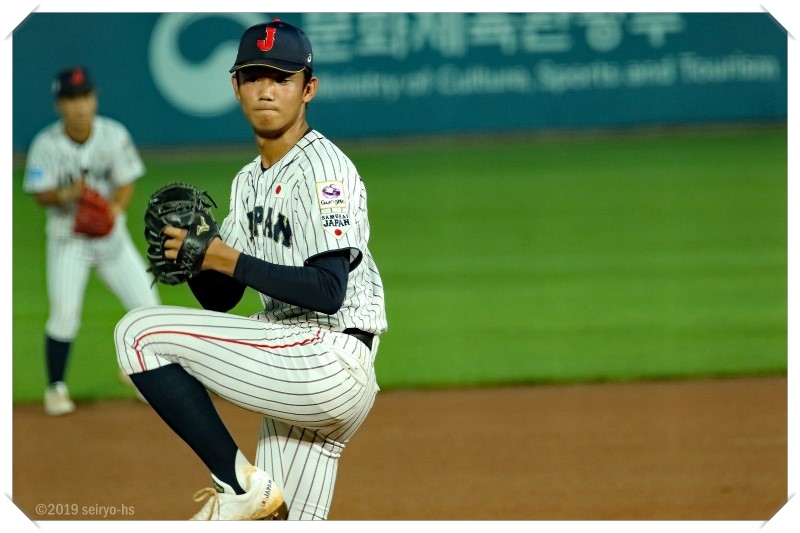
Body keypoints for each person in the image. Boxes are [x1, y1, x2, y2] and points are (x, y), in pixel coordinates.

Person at [114, 19, 388, 520]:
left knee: (138, 335)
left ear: (308, 89)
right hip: (292, 368)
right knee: (279, 520)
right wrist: (194, 259)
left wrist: (220, 254)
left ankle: (235, 483)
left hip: (327, 359)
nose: (266, 90)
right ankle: (249, 494)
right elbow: (224, 298)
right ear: (235, 86)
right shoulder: (247, 181)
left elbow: (328, 290)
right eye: (254, 77)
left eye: (281, 78)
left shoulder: (324, 170)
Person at [23, 65, 160, 416]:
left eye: (85, 96)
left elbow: (126, 180)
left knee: (149, 308)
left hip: (112, 240)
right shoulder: (45, 144)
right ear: (60, 104)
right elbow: (39, 192)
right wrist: (65, 193)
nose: (80, 106)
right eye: (72, 99)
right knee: (64, 315)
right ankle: (56, 388)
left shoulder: (113, 135)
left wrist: (113, 209)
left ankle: (141, 377)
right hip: (68, 240)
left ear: (94, 98)